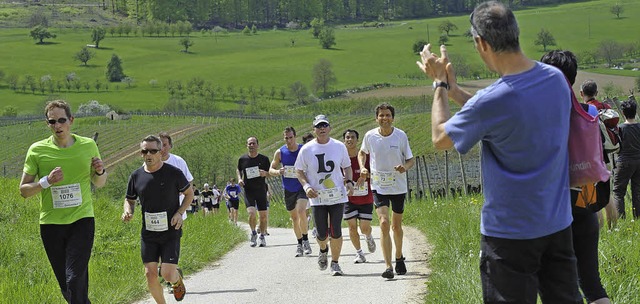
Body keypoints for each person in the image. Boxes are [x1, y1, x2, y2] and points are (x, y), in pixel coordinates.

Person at [417, 1, 581, 302]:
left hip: (509, 236)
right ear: (516, 32)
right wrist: (455, 91)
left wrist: (439, 85)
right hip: (557, 225)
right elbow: (505, 111)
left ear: (481, 43)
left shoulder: (492, 100)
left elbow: (440, 137)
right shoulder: (555, 80)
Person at [19, 100, 107, 304]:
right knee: (67, 287)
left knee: (75, 280)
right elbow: (24, 191)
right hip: (51, 225)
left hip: (81, 221)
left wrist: (101, 171)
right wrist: (46, 181)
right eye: (52, 121)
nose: (57, 125)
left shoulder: (88, 145)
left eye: (61, 120)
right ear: (47, 124)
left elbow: (99, 182)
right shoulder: (37, 150)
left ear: (71, 120)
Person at [541, 50, 611, 304]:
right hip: (586, 204)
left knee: (561, 289)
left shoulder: (540, 117)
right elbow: (599, 159)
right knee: (593, 286)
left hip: (555, 212)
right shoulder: (587, 114)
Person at [122, 135, 193, 303]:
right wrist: (128, 211)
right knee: (150, 274)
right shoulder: (136, 176)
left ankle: (176, 281)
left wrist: (180, 212)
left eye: (153, 151)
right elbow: (129, 199)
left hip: (170, 230)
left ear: (160, 152)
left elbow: (189, 194)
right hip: (149, 233)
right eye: (144, 151)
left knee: (167, 274)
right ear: (141, 153)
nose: (148, 154)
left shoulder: (173, 173)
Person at [358, 103, 414, 278]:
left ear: (393, 118)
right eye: (381, 115)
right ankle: (388, 266)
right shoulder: (370, 136)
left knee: (396, 226)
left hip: (398, 186)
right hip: (378, 185)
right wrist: (362, 167)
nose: (384, 118)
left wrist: (404, 167)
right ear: (376, 118)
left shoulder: (400, 136)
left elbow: (411, 160)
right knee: (383, 223)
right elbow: (362, 152)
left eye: (388, 115)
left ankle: (399, 256)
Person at [295, 114, 354, 276]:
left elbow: (347, 167)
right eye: (319, 126)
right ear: (314, 130)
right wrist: (306, 186)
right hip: (317, 197)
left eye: (324, 126)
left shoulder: (339, 146)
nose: (322, 129)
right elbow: (298, 170)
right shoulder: (306, 149)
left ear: (330, 128)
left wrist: (349, 181)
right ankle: (323, 249)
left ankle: (335, 263)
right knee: (321, 234)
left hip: (337, 196)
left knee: (336, 230)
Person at [580, 80, 619, 227]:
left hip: (595, 157)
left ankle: (599, 228)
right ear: (596, 93)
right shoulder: (606, 107)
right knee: (607, 193)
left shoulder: (586, 110)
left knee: (593, 194)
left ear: (581, 93)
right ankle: (613, 227)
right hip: (610, 156)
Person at [269, 126, 312, 257]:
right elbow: (271, 168)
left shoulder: (302, 150)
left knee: (301, 211)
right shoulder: (280, 152)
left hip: (301, 186)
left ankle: (305, 240)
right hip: (288, 189)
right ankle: (299, 243)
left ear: (295, 136)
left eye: (291, 137)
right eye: (286, 138)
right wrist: (278, 172)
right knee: (294, 218)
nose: (289, 140)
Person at [343, 129, 376, 264]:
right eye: (347, 138)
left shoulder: (364, 157)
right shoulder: (341, 158)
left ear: (357, 140)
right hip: (349, 198)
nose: (349, 140)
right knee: (351, 227)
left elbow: (374, 173)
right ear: (344, 141)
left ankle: (368, 236)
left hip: (365, 197)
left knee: (364, 227)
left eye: (352, 137)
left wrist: (365, 175)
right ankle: (359, 253)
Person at [237, 137, 271, 247]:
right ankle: (253, 233)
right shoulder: (242, 159)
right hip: (249, 191)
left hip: (261, 190)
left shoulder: (264, 159)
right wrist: (239, 179)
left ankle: (262, 236)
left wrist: (265, 173)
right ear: (247, 145)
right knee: (251, 213)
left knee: (263, 217)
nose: (251, 145)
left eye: (253, 143)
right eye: (249, 144)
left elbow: (271, 173)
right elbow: (238, 169)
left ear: (257, 145)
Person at [613, 99, 640, 219]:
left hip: (624, 161)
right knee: (637, 190)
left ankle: (621, 218)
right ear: (635, 111)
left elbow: (616, 146)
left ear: (623, 113)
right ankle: (637, 217)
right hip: (638, 161)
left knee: (618, 192)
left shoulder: (620, 128)